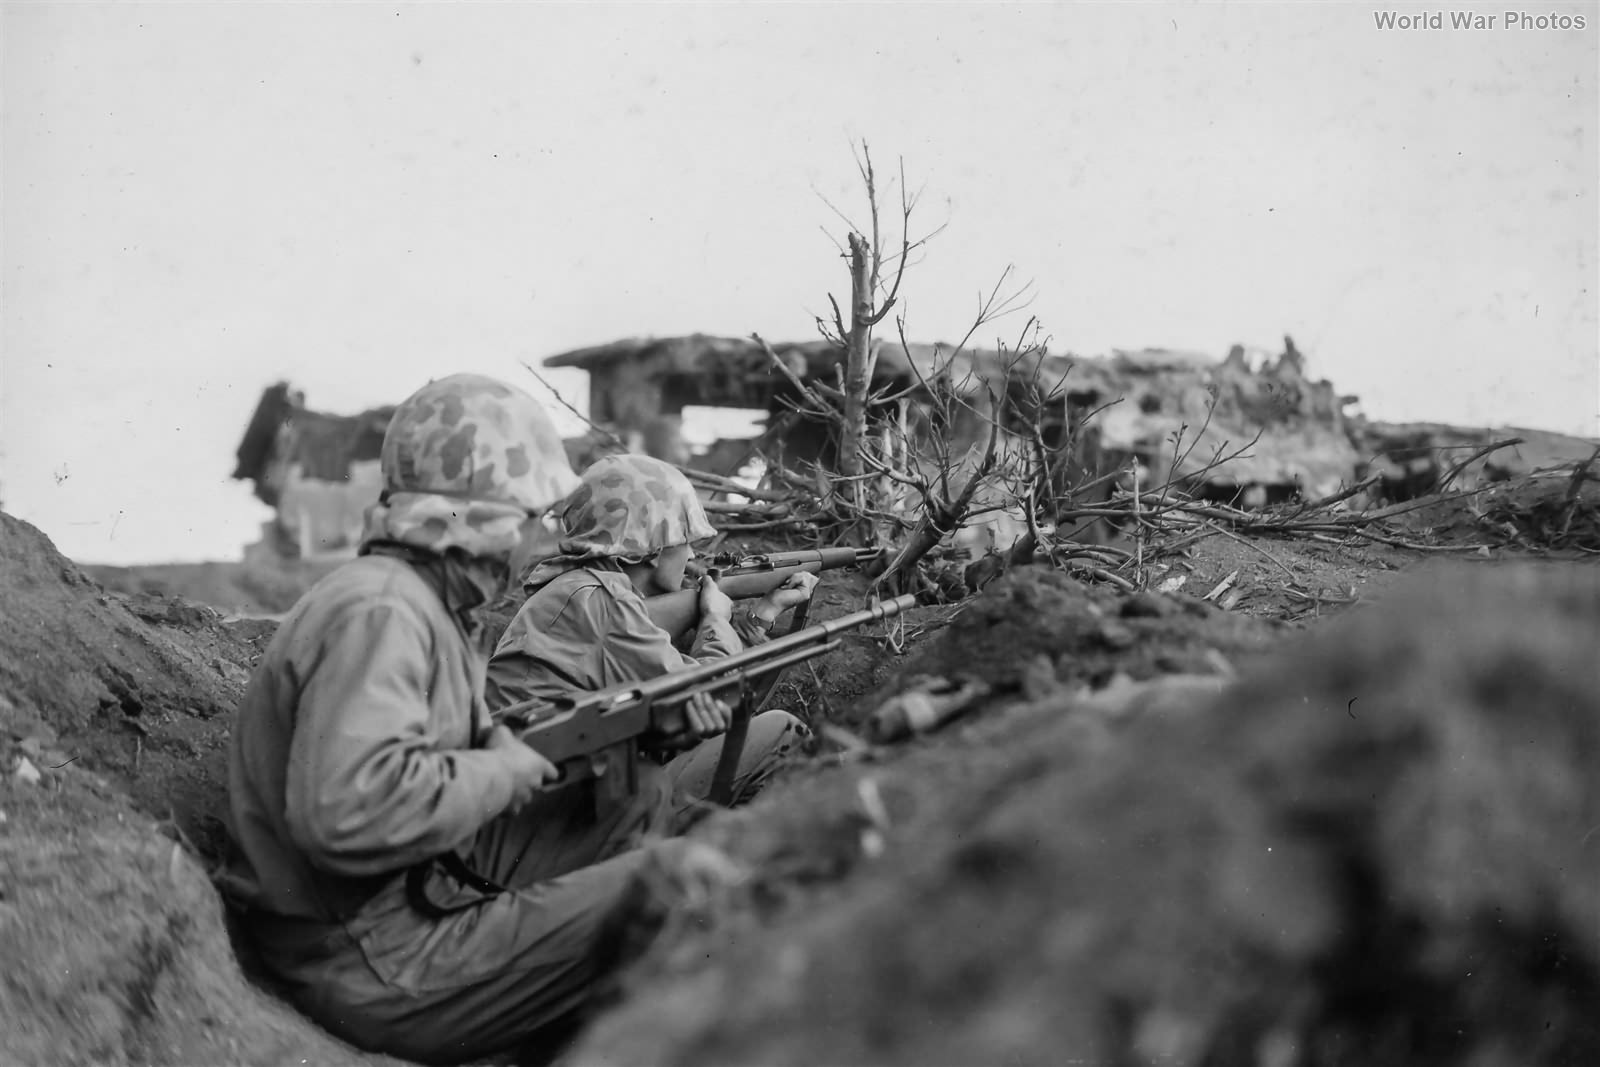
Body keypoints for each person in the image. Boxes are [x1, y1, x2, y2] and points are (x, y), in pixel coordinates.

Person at [221, 374, 713, 1065]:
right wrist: (503, 768)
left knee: (639, 797)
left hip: (396, 902)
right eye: (529, 513)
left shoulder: (421, 605)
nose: (542, 536)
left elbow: (452, 750)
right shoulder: (384, 613)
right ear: (478, 514)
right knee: (680, 879)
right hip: (373, 956)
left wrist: (622, 738)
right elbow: (346, 812)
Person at [487, 453, 816, 812]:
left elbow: (716, 710)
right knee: (782, 732)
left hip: (540, 798)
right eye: (685, 539)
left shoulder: (578, 592)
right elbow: (714, 697)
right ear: (654, 547)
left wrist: (761, 614)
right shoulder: (601, 602)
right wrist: (716, 619)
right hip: (550, 813)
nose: (692, 556)